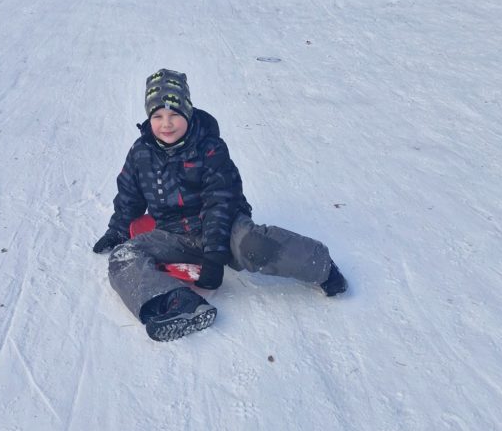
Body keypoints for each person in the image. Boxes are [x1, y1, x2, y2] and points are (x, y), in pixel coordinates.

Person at [93, 70, 347, 342]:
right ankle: (179, 302)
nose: (166, 124)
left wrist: (214, 257)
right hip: (173, 233)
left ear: (188, 112)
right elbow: (129, 195)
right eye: (158, 116)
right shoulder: (140, 152)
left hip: (224, 226)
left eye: (174, 114)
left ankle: (321, 266)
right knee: (123, 256)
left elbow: (220, 202)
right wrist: (118, 229)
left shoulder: (210, 149)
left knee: (253, 244)